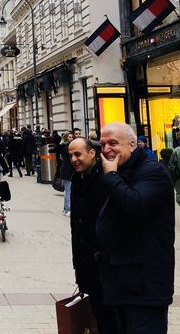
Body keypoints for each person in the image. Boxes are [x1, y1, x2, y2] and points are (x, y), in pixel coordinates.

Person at [97, 122, 174, 334]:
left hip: (144, 285)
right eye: (103, 144)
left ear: (132, 145)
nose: (106, 149)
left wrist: (112, 177)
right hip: (122, 282)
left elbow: (135, 205)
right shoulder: (122, 169)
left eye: (113, 143)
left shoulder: (153, 172)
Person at [68, 138, 114, 334]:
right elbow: (76, 226)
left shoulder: (106, 178)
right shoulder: (78, 179)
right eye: (70, 155)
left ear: (92, 153)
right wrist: (78, 265)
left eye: (78, 154)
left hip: (105, 265)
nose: (73, 159)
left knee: (110, 318)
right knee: (98, 313)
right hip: (86, 262)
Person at [59, 131, 75, 216]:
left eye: (72, 137)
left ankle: (65, 208)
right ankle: (68, 209)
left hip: (66, 169)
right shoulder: (67, 147)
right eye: (69, 137)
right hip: (68, 170)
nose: (71, 138)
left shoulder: (63, 146)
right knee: (68, 191)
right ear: (66, 138)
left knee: (67, 191)